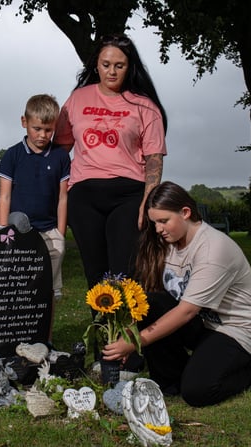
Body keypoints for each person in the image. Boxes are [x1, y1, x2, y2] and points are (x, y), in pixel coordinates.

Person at [102, 182, 251, 407]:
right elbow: (156, 303)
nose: (158, 229)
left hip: (233, 329)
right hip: (201, 323)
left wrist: (135, 342)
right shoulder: (170, 242)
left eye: (164, 221)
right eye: (154, 222)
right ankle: (170, 381)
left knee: (197, 392)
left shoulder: (213, 249)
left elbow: (186, 311)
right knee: (152, 303)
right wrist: (128, 333)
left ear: (185, 212)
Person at [54, 34, 167, 289]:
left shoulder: (145, 106)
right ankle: (101, 329)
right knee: (95, 274)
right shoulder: (77, 99)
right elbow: (60, 152)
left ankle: (124, 329)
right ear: (96, 64)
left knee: (124, 274)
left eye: (119, 65)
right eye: (106, 65)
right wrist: (58, 198)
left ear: (129, 67)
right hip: (83, 195)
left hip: (129, 196)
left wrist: (147, 202)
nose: (112, 72)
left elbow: (154, 160)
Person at [0, 94, 70, 302]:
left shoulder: (61, 157)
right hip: (17, 232)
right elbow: (5, 195)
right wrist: (3, 230)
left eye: (48, 130)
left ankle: (45, 334)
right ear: (24, 122)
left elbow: (63, 198)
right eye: (36, 128)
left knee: (49, 291)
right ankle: (19, 330)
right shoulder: (12, 155)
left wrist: (61, 233)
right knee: (19, 285)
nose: (42, 135)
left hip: (50, 229)